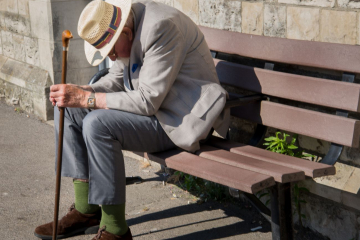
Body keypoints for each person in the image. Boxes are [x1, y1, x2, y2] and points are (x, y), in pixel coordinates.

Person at [34, 0, 230, 239]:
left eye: (112, 51)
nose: (113, 57)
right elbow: (116, 79)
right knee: (67, 108)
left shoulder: (162, 28)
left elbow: (148, 101)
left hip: (181, 119)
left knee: (97, 124)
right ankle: (86, 211)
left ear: (125, 32)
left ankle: (115, 229)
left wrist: (88, 99)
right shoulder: (125, 26)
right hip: (156, 112)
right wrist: (82, 91)